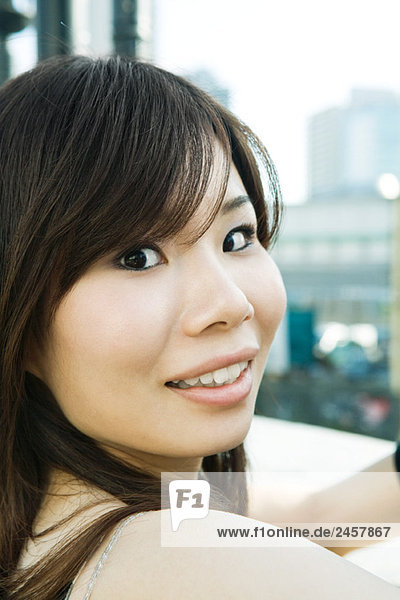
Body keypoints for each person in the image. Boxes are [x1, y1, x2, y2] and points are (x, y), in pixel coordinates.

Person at [0, 55, 399, 600]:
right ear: (20, 321)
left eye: (237, 237)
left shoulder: (55, 513)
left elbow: (321, 517)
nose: (230, 304)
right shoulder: (189, 558)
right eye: (138, 257)